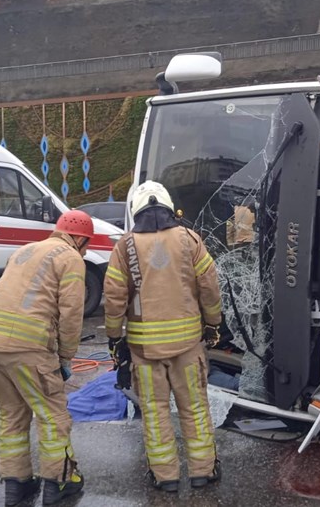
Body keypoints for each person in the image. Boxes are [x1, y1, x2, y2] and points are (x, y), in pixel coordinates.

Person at [103, 181, 224, 492]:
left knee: (155, 413)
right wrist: (213, 324)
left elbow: (114, 299)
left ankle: (165, 476)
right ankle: (202, 471)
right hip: (187, 347)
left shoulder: (124, 246)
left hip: (144, 352)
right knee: (194, 408)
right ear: (169, 207)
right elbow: (209, 286)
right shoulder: (189, 239)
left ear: (135, 211)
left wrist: (115, 339)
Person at [0, 210, 92, 506]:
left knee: (12, 414)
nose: (86, 248)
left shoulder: (25, 250)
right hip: (26, 346)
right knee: (53, 415)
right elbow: (71, 314)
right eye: (87, 243)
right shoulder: (71, 258)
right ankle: (59, 484)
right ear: (78, 238)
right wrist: (65, 357)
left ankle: (18, 486)